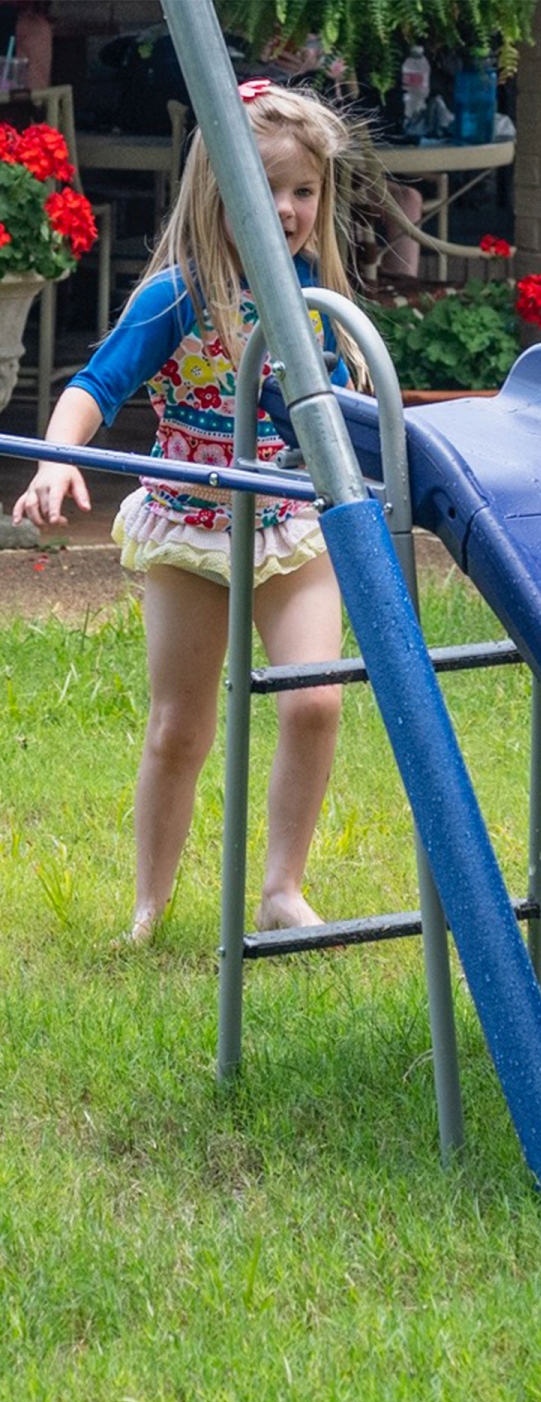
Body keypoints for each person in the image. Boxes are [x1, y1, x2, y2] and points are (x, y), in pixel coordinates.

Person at [10, 80, 367, 945]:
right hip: (190, 524)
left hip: (290, 519)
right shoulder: (178, 294)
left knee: (316, 701)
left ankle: (282, 888)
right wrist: (59, 458)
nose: (286, 209)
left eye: (304, 191)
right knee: (180, 725)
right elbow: (94, 387)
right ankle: (150, 905)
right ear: (217, 191)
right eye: (267, 187)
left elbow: (340, 416)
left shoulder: (315, 300)